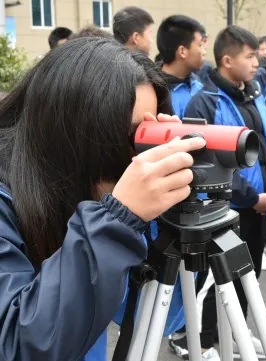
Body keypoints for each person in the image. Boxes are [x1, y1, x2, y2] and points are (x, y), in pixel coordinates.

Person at [0, 37, 204, 361]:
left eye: (147, 136)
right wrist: (116, 221)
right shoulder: (7, 204)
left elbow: (150, 316)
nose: (139, 155)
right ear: (75, 135)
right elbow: (16, 347)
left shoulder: (80, 192)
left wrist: (171, 210)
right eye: (132, 135)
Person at [184, 25, 266, 358]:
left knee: (248, 274)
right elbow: (207, 161)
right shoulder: (205, 102)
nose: (257, 62)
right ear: (227, 60)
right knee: (219, 277)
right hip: (230, 206)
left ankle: (238, 330)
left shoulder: (253, 93)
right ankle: (206, 339)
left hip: (260, 203)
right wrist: (252, 198)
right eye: (250, 56)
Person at [157, 15, 206, 117]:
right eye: (200, 45)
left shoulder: (200, 86)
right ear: (182, 51)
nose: (204, 51)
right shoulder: (153, 90)